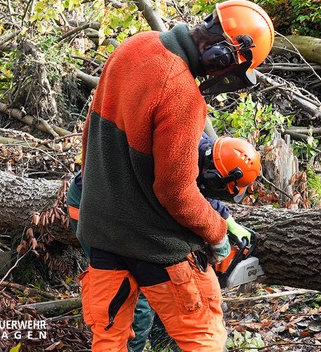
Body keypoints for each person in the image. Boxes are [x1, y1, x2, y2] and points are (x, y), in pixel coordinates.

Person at [75, 0, 273, 351]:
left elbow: (92, 136)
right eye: (230, 68)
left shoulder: (136, 44)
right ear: (222, 56)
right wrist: (216, 233)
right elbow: (175, 191)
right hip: (156, 246)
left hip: (101, 234)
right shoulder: (181, 93)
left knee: (109, 341)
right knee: (203, 338)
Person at [68, 133, 258, 351]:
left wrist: (226, 219)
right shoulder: (175, 149)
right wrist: (215, 234)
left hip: (124, 201)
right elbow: (181, 191)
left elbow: (196, 183)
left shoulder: (198, 145)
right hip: (91, 206)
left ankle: (161, 339)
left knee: (147, 284)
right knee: (129, 296)